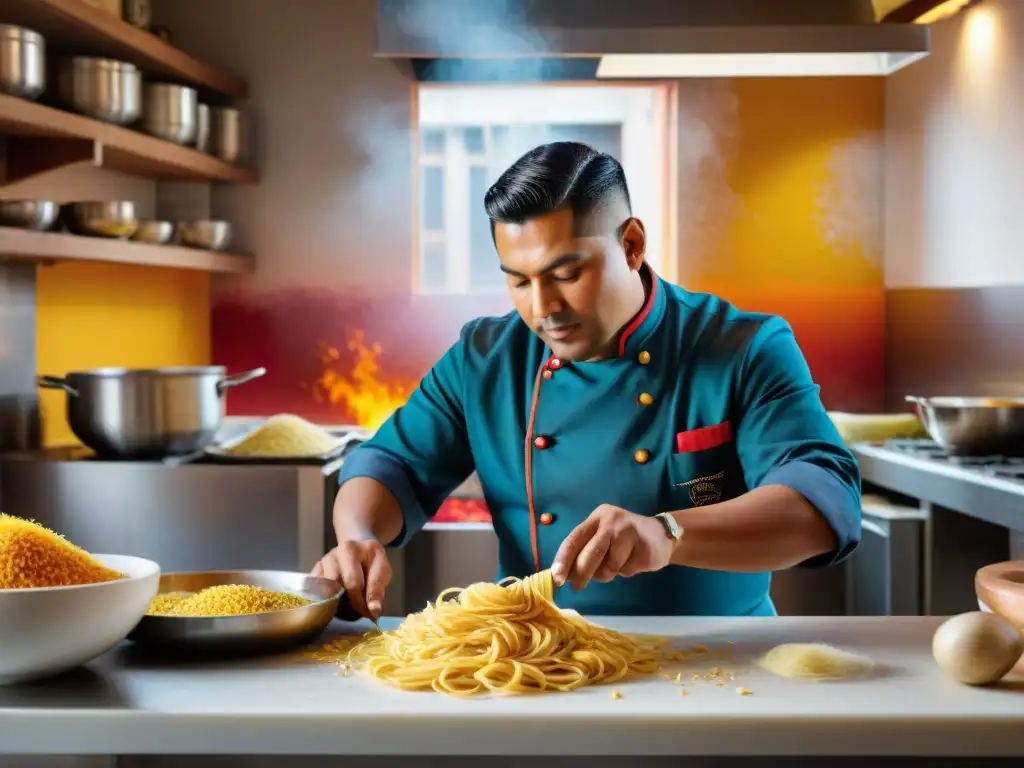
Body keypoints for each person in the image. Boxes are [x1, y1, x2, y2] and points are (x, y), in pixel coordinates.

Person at [313, 141, 861, 619]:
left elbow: (823, 499)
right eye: (519, 282)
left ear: (631, 245)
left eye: (567, 275)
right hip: (536, 661)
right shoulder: (485, 357)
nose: (543, 307)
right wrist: (357, 537)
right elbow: (392, 464)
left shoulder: (743, 346)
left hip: (720, 661)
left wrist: (668, 534)